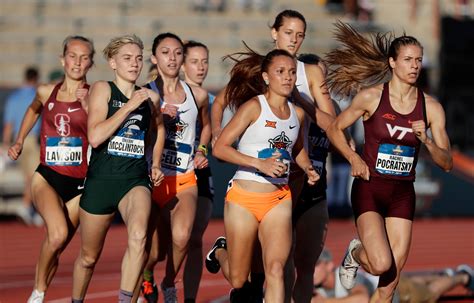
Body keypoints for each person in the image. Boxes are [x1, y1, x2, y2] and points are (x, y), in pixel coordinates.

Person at [325, 22, 453, 302]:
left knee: (388, 285)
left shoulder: (430, 107)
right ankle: (355, 252)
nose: (414, 66)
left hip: (402, 194)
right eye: (408, 60)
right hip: (370, 187)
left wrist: (428, 142)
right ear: (392, 62)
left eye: (418, 60)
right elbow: (335, 128)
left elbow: (447, 162)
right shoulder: (371, 97)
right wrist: (352, 157)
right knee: (380, 263)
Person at [206, 49, 319, 303]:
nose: (287, 77)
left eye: (291, 72)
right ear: (266, 77)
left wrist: (308, 167)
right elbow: (220, 148)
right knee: (238, 279)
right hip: (244, 199)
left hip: (278, 199)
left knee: (276, 269)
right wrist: (259, 164)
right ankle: (220, 251)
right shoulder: (254, 106)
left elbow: (297, 148)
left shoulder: (297, 114)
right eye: (280, 72)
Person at [71, 34, 164, 303]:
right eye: (127, 58)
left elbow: (158, 130)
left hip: (134, 180)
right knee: (88, 258)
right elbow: (96, 137)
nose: (134, 64)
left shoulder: (149, 97)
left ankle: (125, 300)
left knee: (139, 236)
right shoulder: (102, 88)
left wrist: (155, 163)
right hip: (101, 181)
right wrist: (130, 106)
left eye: (138, 58)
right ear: (113, 62)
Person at [7, 36, 94, 303]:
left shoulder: (96, 95)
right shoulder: (47, 91)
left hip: (80, 183)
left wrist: (90, 104)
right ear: (62, 59)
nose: (77, 62)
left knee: (56, 246)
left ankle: (41, 285)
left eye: (84, 57)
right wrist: (20, 139)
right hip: (48, 176)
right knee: (57, 234)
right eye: (72, 56)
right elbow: (34, 110)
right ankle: (38, 292)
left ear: (91, 63)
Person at [140, 33, 210, 303]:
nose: (172, 58)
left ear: (182, 59)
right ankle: (145, 275)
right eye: (165, 52)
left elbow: (206, 127)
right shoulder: (144, 93)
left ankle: (169, 283)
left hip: (183, 178)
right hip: (149, 179)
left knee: (182, 239)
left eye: (177, 53)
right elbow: (134, 136)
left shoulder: (198, 95)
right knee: (153, 251)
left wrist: (202, 149)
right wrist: (157, 119)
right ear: (154, 58)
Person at [180, 40, 214, 303]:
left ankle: (188, 298)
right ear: (182, 65)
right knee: (159, 243)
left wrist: (202, 149)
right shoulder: (167, 95)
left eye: (204, 61)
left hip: (200, 171)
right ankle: (148, 274)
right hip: (170, 172)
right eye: (194, 61)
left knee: (195, 238)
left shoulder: (211, 100)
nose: (200, 67)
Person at [313, 249, 474, 303]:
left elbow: (361, 299)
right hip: (391, 281)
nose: (311, 271)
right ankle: (443, 274)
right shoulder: (314, 287)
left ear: (329, 265)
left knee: (430, 292)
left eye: (316, 265)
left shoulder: (346, 274)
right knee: (412, 279)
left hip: (395, 290)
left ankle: (463, 276)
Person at [3, 66, 42, 225]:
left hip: (17, 141)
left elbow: (8, 125)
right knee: (35, 177)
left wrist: (7, 145)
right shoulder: (37, 95)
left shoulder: (14, 97)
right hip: (33, 140)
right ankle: (27, 206)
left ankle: (29, 207)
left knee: (29, 176)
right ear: (36, 78)